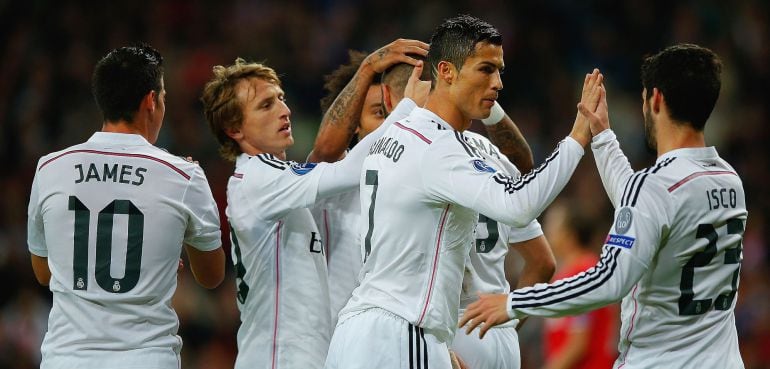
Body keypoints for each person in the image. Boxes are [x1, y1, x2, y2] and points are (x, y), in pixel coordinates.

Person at [324, 14, 601, 369]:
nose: (498, 83)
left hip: (357, 331)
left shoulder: (391, 136)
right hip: (404, 330)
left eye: (500, 71)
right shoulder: (440, 146)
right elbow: (517, 205)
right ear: (447, 71)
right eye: (486, 69)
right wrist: (577, 138)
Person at [460, 44, 747, 369]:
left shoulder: (654, 187)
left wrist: (514, 301)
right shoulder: (728, 179)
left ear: (655, 99)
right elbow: (646, 205)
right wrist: (603, 135)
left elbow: (610, 278)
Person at [200, 39, 428, 369]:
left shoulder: (274, 180)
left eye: (281, 98)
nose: (284, 110)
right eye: (266, 105)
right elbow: (347, 169)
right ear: (234, 128)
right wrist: (407, 110)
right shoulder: (260, 178)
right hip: (279, 358)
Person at [27, 44, 225, 369]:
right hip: (146, 358)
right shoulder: (183, 175)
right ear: (150, 100)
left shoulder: (50, 168)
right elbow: (212, 276)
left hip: (66, 359)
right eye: (163, 97)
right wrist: (161, 250)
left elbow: (44, 273)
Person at [541, 200, 617, 369]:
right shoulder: (567, 273)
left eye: (552, 225)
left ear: (569, 234)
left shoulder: (584, 272)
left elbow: (578, 343)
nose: (546, 231)